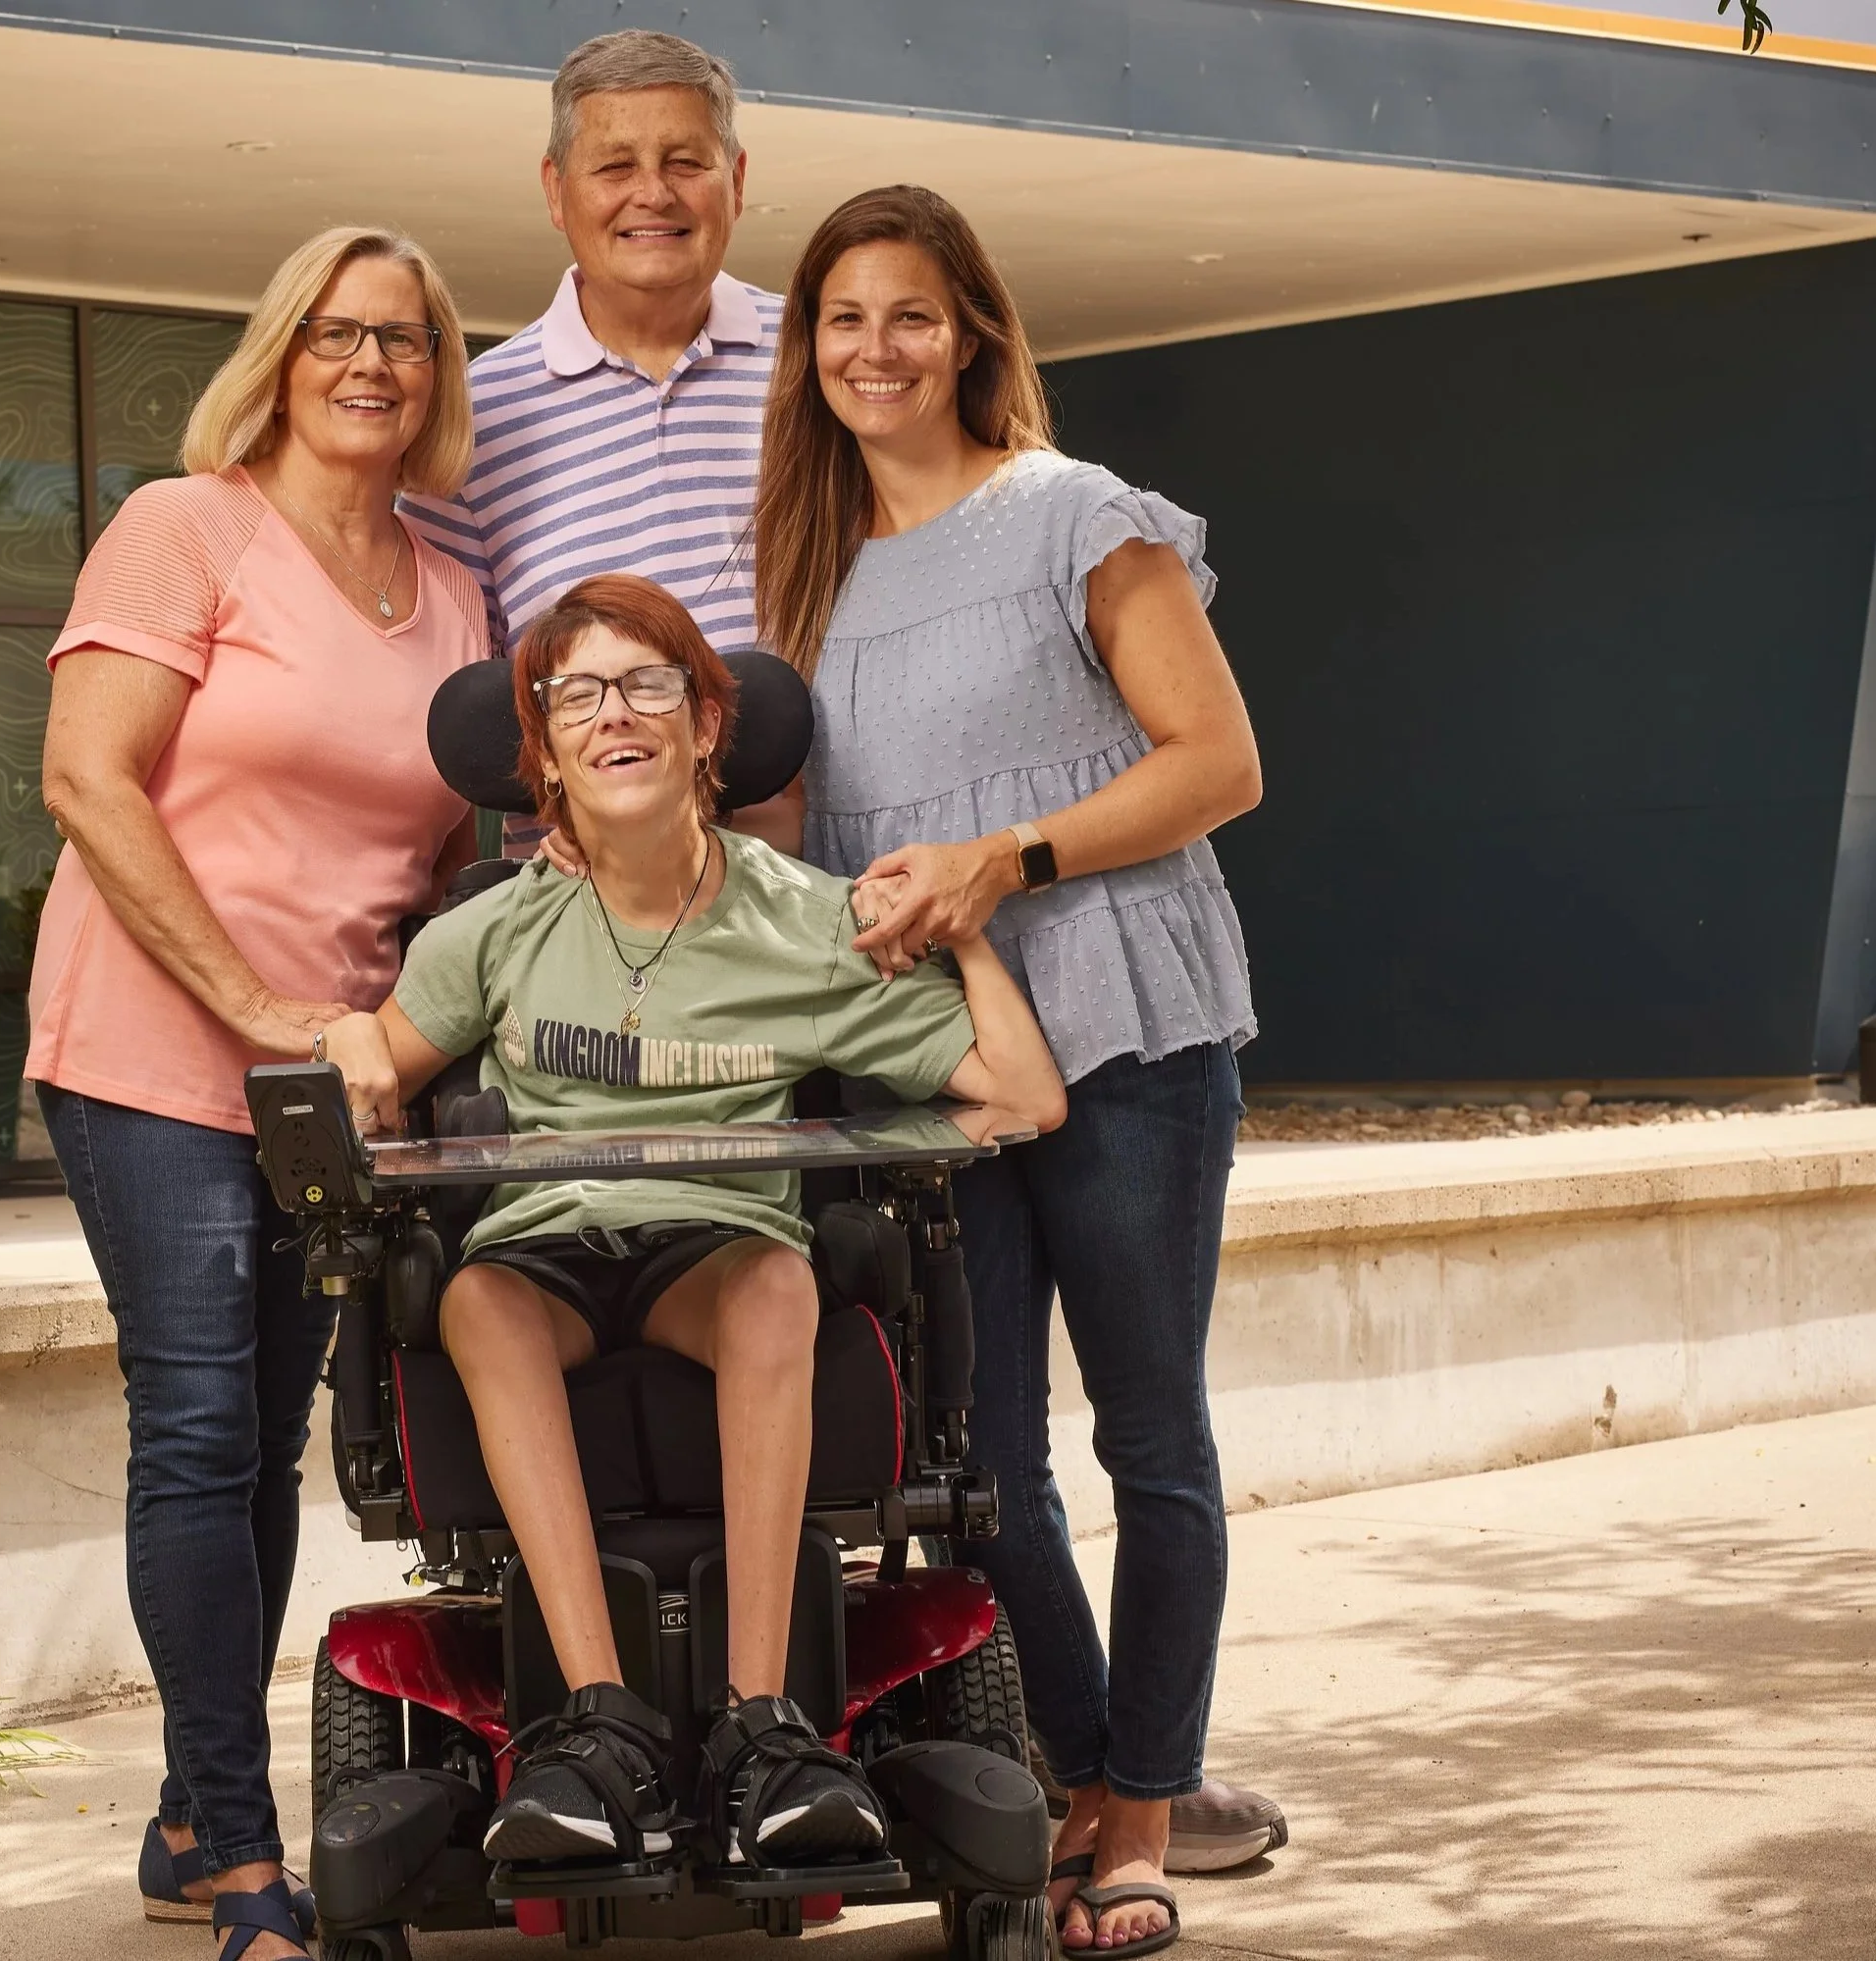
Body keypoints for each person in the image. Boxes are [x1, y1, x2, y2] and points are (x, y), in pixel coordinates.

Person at [317, 573, 1065, 1873]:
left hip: (710, 1254)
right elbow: (375, 1065)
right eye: (575, 694)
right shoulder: (491, 931)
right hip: (542, 1259)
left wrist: (967, 929)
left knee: (775, 1281)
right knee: (474, 1297)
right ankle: (591, 1725)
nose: (614, 713)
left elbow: (1021, 1092)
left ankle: (763, 1723)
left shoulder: (808, 923)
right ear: (544, 752)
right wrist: (341, 1042)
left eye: (648, 682)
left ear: (707, 722)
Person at [753, 185, 1281, 1956]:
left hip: (1123, 1019)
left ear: (971, 330)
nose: (872, 350)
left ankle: (1141, 1799)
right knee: (978, 1453)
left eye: (908, 315)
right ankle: (1079, 1764)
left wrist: (1008, 855)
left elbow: (1215, 761)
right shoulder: (804, 570)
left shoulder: (1075, 515)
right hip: (935, 1061)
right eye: (840, 319)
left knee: (1149, 1434)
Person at [27, 226, 485, 1961]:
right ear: (279, 353)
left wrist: (392, 1028)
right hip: (150, 1047)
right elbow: (88, 779)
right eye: (338, 333)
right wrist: (261, 1002)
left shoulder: (443, 590)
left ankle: (178, 1803)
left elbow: (435, 850)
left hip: (327, 1082)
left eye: (409, 341)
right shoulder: (185, 523)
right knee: (202, 1423)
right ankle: (238, 1857)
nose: (373, 365)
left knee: (267, 1444)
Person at [405, 31, 774, 845]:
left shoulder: (824, 364)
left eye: (686, 162)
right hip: (586, 900)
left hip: (837, 886)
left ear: (736, 180)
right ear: (555, 189)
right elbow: (446, 702)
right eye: (614, 167)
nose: (653, 194)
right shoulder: (472, 421)